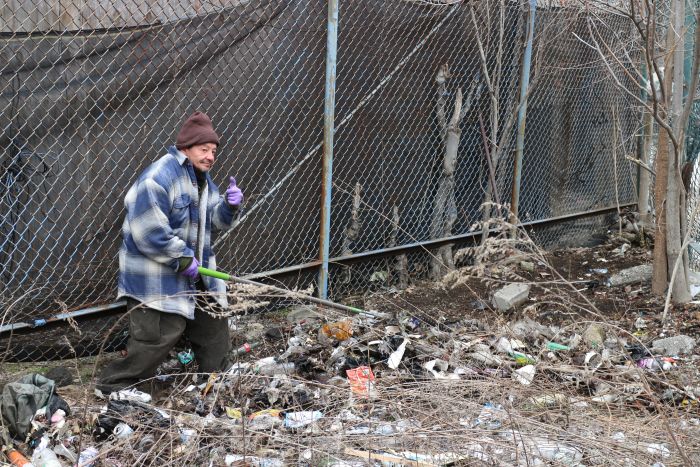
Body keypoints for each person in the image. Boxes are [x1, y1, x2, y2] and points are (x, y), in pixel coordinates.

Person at [97, 111, 243, 398]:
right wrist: (182, 258)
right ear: (185, 148)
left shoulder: (201, 179)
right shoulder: (158, 177)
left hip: (192, 271)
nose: (211, 156)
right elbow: (148, 230)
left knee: (213, 320)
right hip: (157, 275)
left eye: (213, 151)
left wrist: (228, 207)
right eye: (204, 149)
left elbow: (213, 220)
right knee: (160, 334)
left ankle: (217, 378)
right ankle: (115, 385)